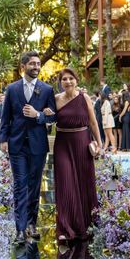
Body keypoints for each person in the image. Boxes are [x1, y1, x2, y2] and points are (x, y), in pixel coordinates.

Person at [0, 51, 56, 246]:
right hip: (17, 145)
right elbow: (6, 117)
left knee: (34, 185)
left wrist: (38, 115)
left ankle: (32, 224)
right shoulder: (12, 89)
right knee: (19, 186)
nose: (36, 67)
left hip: (38, 145)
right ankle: (20, 229)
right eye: (32, 64)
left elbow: (52, 116)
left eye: (39, 64)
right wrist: (3, 139)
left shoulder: (47, 90)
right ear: (23, 66)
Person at [51, 68, 100, 242]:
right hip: (63, 144)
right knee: (66, 183)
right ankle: (65, 228)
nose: (68, 82)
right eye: (64, 79)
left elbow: (93, 122)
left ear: (76, 80)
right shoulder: (55, 100)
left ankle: (86, 225)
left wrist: (99, 144)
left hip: (82, 142)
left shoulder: (84, 97)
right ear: (60, 82)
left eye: (71, 78)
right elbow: (45, 120)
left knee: (84, 182)